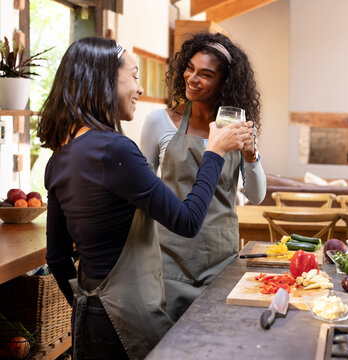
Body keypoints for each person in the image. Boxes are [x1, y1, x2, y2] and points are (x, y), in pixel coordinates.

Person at [37, 37, 251, 360]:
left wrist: (89, 305)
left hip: (88, 319)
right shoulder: (115, 150)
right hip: (129, 319)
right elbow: (189, 220)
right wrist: (215, 151)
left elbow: (56, 258)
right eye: (134, 76)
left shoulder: (59, 158)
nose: (139, 89)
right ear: (107, 79)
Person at [140, 32, 266, 321]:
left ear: (225, 82)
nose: (192, 78)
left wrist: (250, 154)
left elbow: (256, 196)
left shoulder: (237, 127)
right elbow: (143, 192)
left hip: (219, 257)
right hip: (168, 256)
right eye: (190, 68)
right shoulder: (159, 122)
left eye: (205, 74)